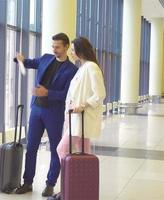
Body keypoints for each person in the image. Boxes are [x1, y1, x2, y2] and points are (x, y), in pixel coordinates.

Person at [14, 33, 77, 197]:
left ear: (66, 47)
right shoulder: (46, 58)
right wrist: (19, 59)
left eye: (58, 47)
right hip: (36, 110)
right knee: (31, 147)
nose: (54, 50)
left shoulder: (72, 70)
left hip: (54, 112)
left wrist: (47, 92)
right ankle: (27, 182)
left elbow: (66, 94)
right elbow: (30, 62)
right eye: (53, 46)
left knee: (56, 149)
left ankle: (50, 183)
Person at [48, 36, 106, 200]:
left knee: (62, 149)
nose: (71, 53)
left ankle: (68, 189)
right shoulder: (83, 68)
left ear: (80, 51)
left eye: (73, 50)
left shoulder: (91, 67)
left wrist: (83, 105)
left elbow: (100, 93)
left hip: (82, 119)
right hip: (77, 120)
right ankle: (74, 190)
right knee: (83, 154)